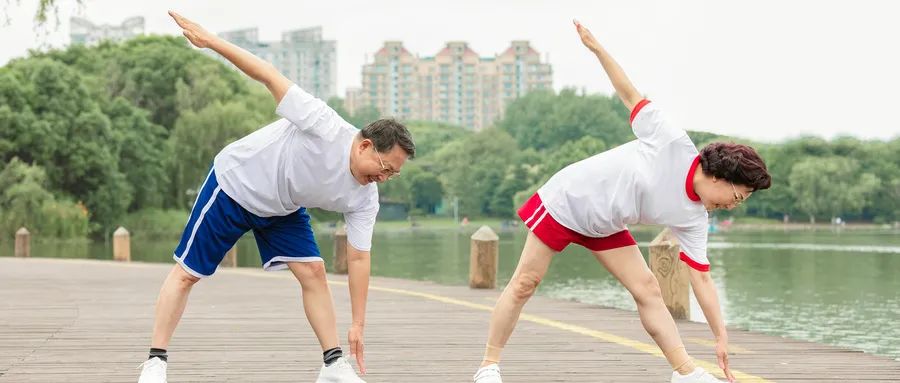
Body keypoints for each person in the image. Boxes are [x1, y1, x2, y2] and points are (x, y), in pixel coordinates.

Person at [472, 20, 771, 383]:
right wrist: (598, 49)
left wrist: (721, 336)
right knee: (525, 283)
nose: (734, 204)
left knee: (647, 288)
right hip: (568, 202)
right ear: (719, 177)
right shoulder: (672, 141)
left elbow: (702, 281)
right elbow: (630, 94)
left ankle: (685, 372)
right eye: (737, 196)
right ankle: (488, 366)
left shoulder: (693, 218)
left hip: (606, 223)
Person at [139, 11, 416, 383]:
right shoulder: (323, 124)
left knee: (314, 272)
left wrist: (358, 324)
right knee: (188, 274)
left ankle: (333, 365)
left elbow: (359, 258)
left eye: (392, 175)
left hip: (282, 206)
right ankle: (155, 362)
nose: (384, 178)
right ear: (365, 145)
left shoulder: (366, 198)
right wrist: (211, 41)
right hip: (236, 185)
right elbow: (268, 73)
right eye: (384, 167)